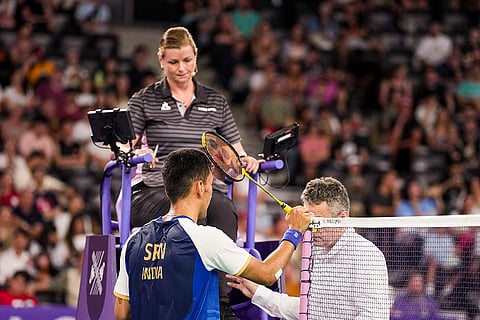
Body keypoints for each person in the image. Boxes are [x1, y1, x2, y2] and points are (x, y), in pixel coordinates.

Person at [123, 26, 261, 317]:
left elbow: (235, 154)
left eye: (186, 60)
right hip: (155, 190)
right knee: (193, 214)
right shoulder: (143, 100)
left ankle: (220, 306)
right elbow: (123, 149)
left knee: (222, 210)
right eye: (173, 62)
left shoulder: (217, 102)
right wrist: (138, 153)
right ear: (161, 60)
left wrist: (246, 161)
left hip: (206, 191)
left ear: (196, 58)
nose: (181, 68)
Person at [113, 148, 312, 320]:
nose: (211, 192)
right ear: (200, 187)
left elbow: (121, 313)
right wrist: (294, 232)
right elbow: (268, 274)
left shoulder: (133, 242)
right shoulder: (206, 238)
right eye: (210, 184)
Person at [226, 176, 390, 320]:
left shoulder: (367, 256)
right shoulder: (314, 250)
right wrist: (259, 293)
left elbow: (374, 316)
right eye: (308, 221)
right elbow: (309, 310)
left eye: (318, 221)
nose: (311, 229)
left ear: (343, 218)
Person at [390, 271, 455, 320]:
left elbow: (437, 318)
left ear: (423, 285)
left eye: (418, 282)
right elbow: (392, 317)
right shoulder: (399, 301)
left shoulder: (430, 303)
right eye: (413, 282)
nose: (415, 285)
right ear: (408, 284)